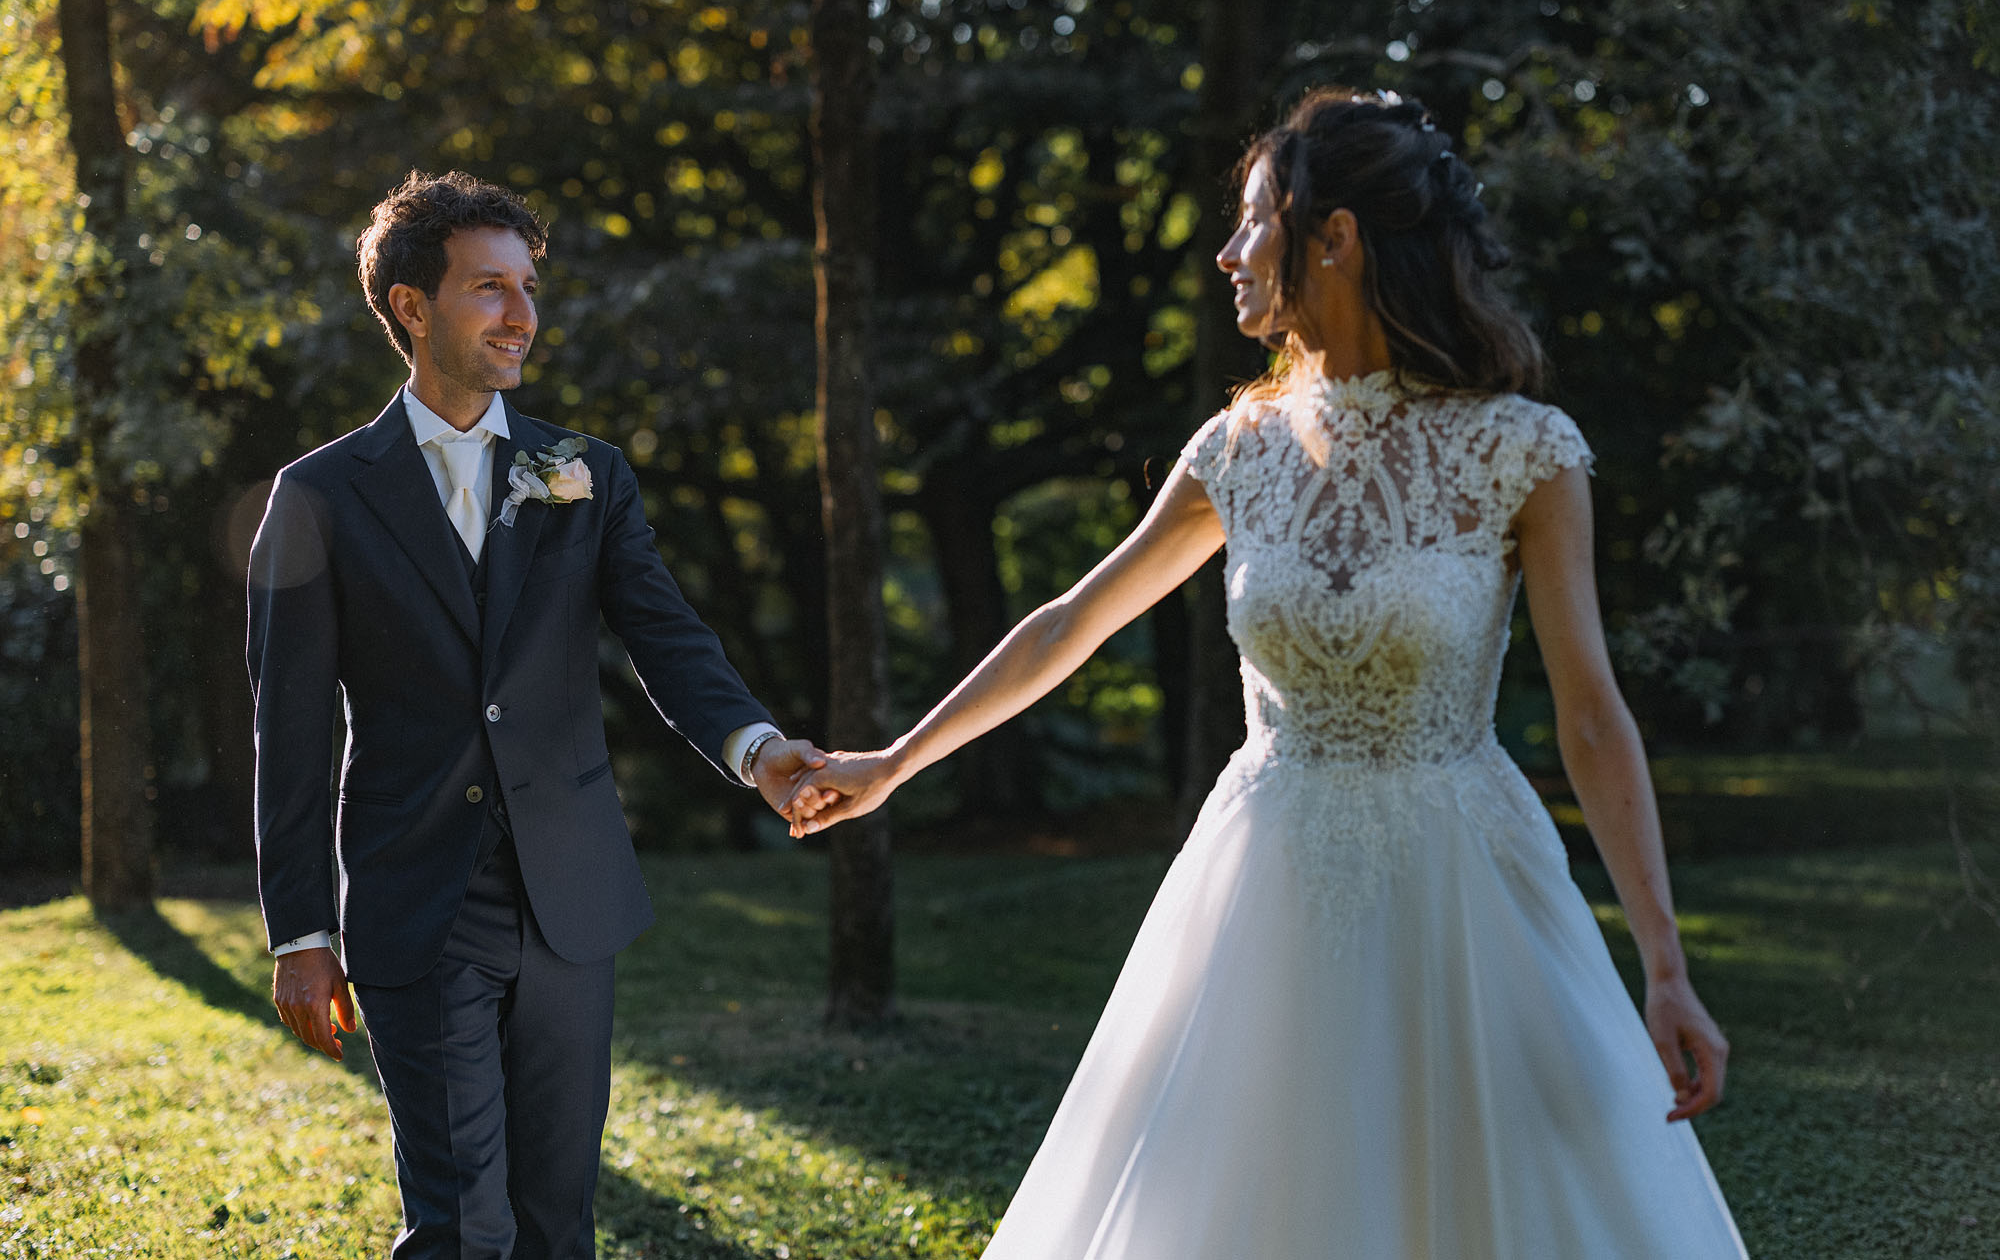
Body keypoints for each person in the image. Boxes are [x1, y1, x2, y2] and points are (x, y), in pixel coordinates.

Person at [787, 90, 1746, 1257]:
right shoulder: (1234, 450)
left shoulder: (1520, 451)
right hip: (1264, 875)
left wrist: (1663, 963)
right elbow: (1070, 622)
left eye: (1253, 220)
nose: (1227, 251)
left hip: (1464, 886)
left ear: (1332, 237)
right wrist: (895, 761)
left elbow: (1589, 716)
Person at [247, 170, 834, 1259]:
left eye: (527, 286)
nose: (521, 314)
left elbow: (666, 637)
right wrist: (301, 932)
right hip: (418, 899)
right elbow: (287, 728)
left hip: (571, 893)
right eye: (489, 287)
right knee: (463, 1223)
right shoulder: (319, 496)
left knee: (558, 1221)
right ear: (411, 306)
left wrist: (757, 750)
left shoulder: (585, 474)